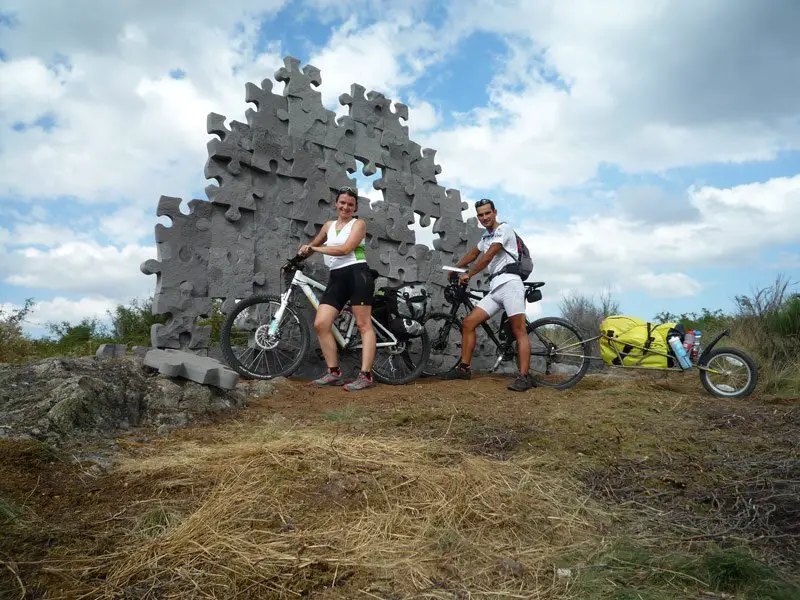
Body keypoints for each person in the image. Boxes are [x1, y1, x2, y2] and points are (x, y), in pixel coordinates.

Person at [441, 198, 535, 391]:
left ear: (495, 212)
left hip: (510, 283)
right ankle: (464, 368)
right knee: (468, 323)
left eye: (487, 213)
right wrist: (456, 268)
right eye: (480, 215)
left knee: (519, 331)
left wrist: (469, 274)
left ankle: (525, 377)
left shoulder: (504, 229)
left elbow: (489, 255)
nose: (484, 217)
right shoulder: (485, 237)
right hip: (495, 287)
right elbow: (473, 254)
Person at [298, 186, 376, 391]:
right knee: (321, 323)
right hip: (337, 278)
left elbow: (345, 249)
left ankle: (365, 375)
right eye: (342, 203)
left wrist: (314, 248)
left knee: (363, 324)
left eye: (350, 204)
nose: (346, 207)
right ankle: (334, 372)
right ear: (336, 203)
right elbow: (311, 246)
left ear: (355, 207)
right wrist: (300, 255)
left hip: (357, 274)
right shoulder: (328, 226)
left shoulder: (358, 224)